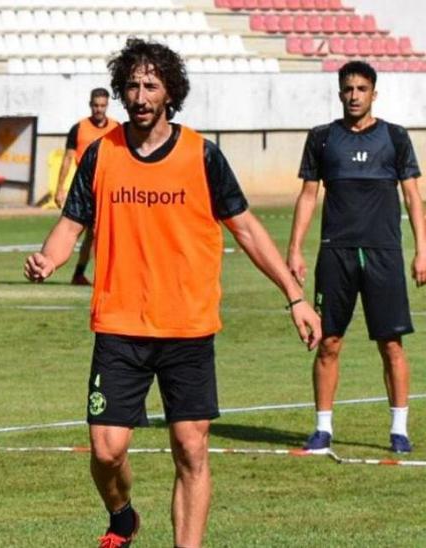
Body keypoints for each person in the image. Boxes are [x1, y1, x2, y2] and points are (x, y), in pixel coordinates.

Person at [23, 39, 321, 548]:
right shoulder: (101, 154)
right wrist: (49, 258)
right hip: (119, 324)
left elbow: (246, 229)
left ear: (169, 93)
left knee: (191, 448)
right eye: (133, 85)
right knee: (106, 450)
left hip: (187, 326)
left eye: (151, 86)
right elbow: (71, 223)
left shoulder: (202, 155)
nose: (140, 96)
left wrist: (294, 295)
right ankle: (122, 516)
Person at [287, 60, 423, 455]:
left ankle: (399, 430)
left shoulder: (396, 139)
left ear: (373, 93)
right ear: (340, 92)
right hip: (336, 253)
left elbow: (414, 197)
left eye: (361, 89)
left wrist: (422, 250)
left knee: (391, 345)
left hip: (384, 254)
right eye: (348, 89)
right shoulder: (323, 138)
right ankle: (322, 429)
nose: (354, 96)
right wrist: (295, 248)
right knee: (328, 341)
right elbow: (309, 195)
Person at [54, 88, 119, 286]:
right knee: (78, 231)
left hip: (109, 189)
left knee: (100, 234)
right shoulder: (79, 129)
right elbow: (67, 159)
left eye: (102, 105)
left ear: (107, 105)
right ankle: (52, 265)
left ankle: (85, 274)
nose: (99, 109)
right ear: (90, 105)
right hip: (85, 189)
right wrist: (59, 188)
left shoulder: (116, 128)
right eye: (96, 105)